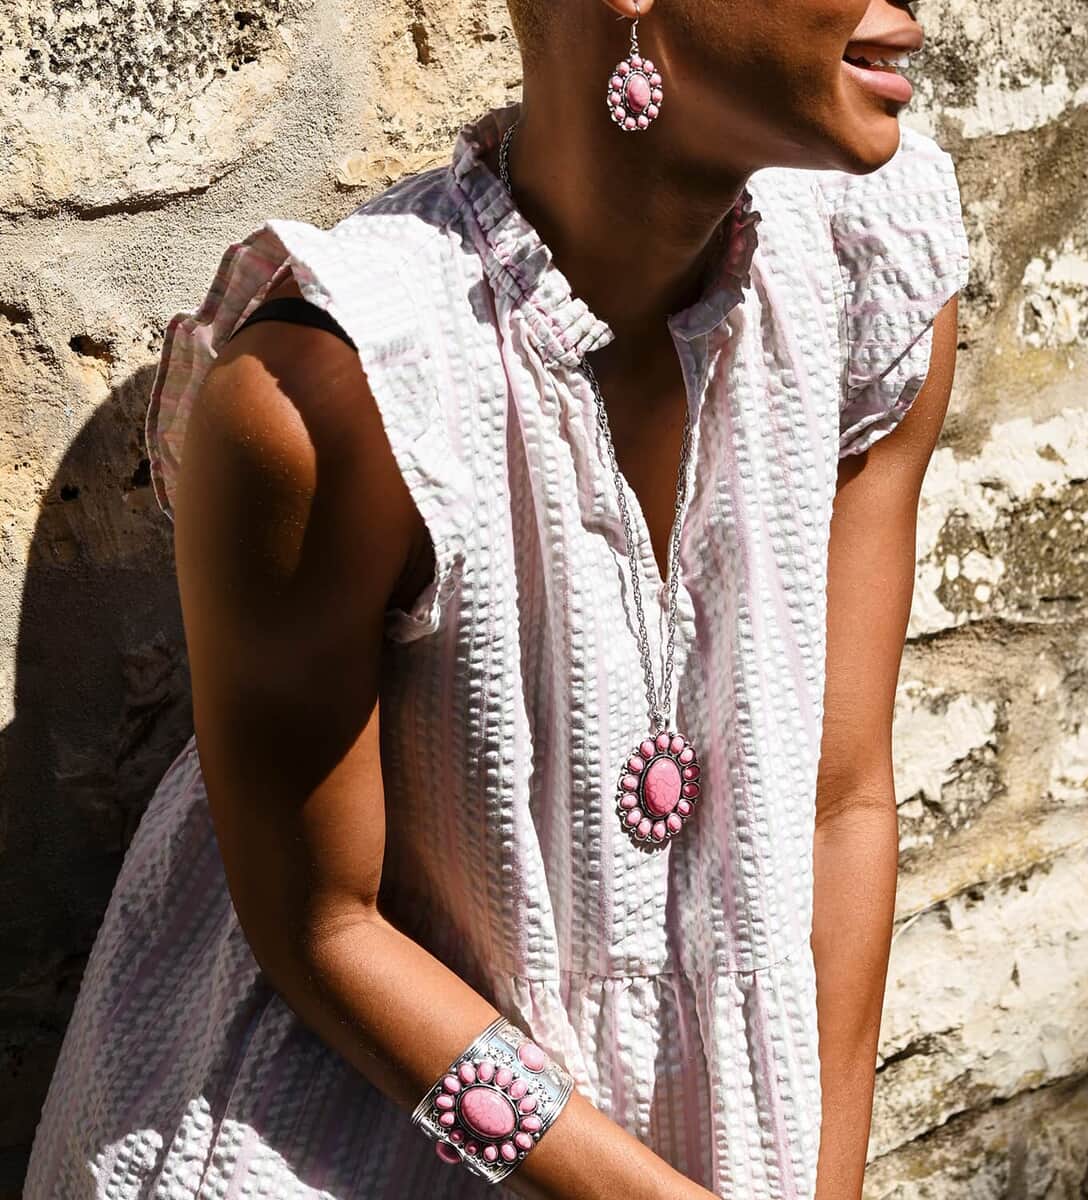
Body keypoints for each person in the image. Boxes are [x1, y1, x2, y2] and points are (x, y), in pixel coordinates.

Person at [23, 0, 969, 1196]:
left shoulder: (869, 277)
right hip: (345, 1131)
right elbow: (324, 929)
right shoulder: (341, 388)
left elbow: (841, 801)